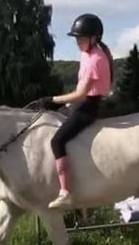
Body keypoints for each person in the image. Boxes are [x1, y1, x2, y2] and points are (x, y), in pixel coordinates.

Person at [38, 13, 114, 209]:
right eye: (77, 38)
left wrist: (53, 100)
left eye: (81, 38)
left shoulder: (95, 59)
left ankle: (65, 192)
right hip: (81, 104)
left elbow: (81, 93)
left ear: (94, 38)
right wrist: (64, 105)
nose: (78, 42)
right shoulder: (89, 53)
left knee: (57, 140)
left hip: (87, 107)